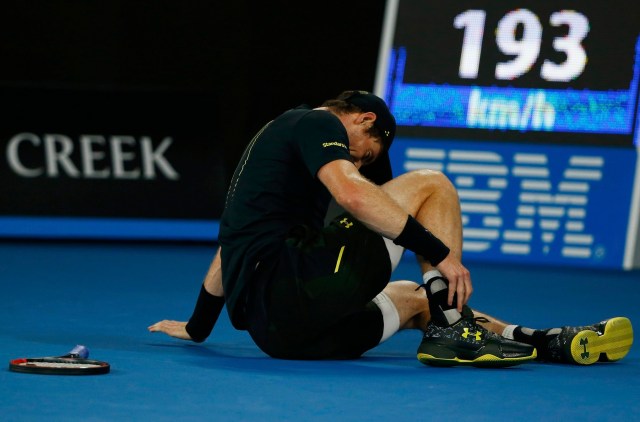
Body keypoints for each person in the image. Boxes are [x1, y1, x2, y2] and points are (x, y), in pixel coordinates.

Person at [149, 91, 633, 367]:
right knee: (432, 184)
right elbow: (356, 195)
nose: (360, 160)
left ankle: (541, 340)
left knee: (415, 297)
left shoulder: (273, 178)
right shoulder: (315, 123)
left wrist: (199, 326)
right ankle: (451, 329)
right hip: (294, 292)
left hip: (287, 339)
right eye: (368, 151)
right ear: (364, 120)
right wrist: (439, 252)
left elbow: (227, 250)